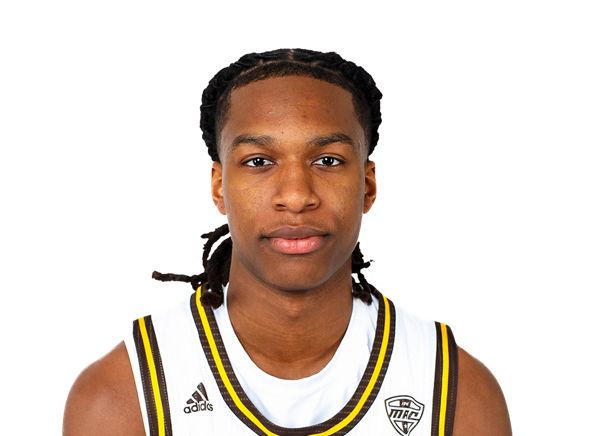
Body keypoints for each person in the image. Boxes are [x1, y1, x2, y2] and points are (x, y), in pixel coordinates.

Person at [63, 48, 512, 435]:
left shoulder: (456, 396)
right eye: (259, 161)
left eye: (328, 160)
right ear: (218, 187)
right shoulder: (122, 396)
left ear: (368, 186)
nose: (296, 196)